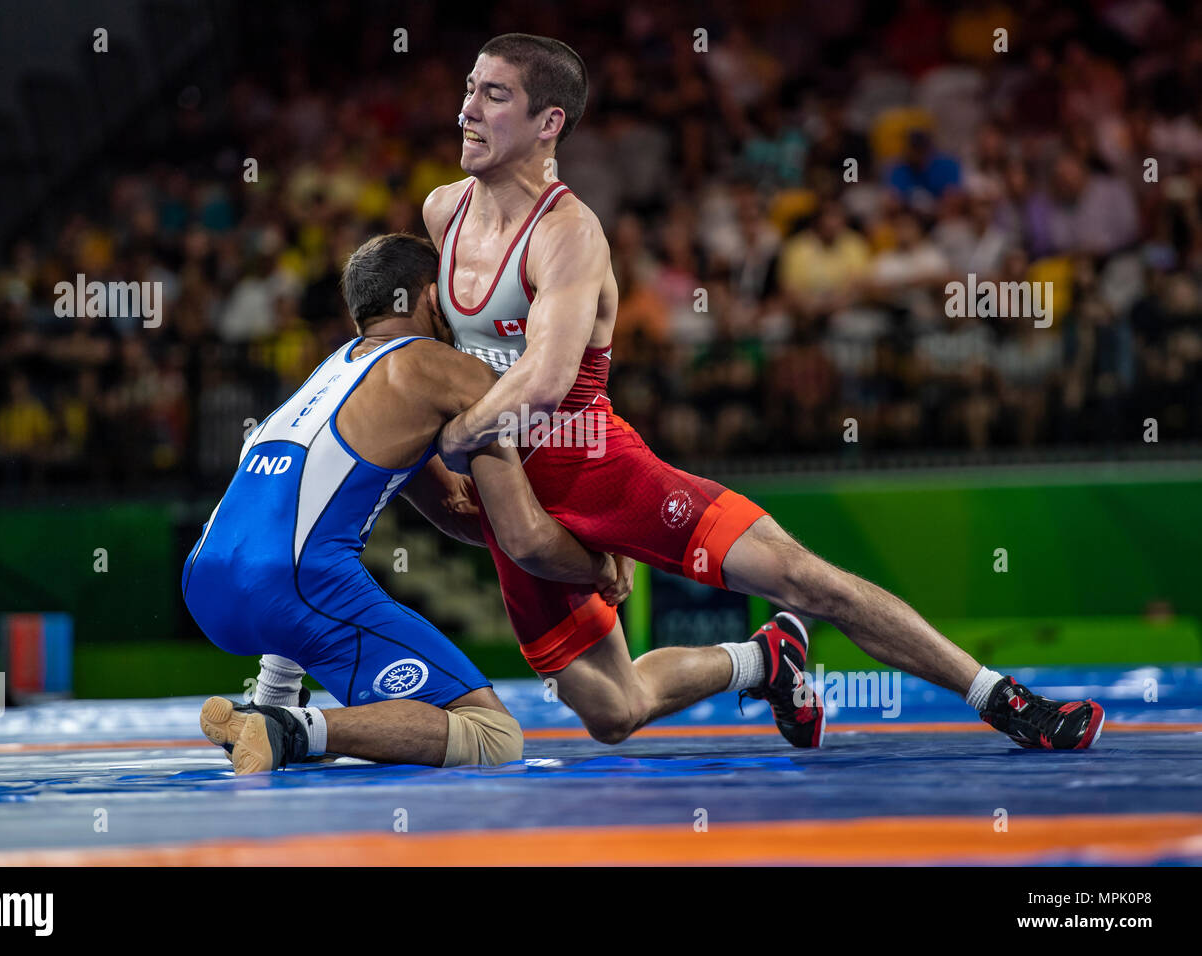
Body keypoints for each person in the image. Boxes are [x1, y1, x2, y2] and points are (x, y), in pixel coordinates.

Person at [425, 33, 1103, 751]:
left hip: (595, 467)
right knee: (612, 712)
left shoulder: (570, 232)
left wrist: (452, 436)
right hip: (510, 492)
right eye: (469, 88)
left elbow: (546, 380)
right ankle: (764, 661)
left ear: (549, 122)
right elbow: (436, 351)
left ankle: (1004, 700)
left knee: (806, 580)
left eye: (493, 95)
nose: (467, 109)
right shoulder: (444, 211)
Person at [182, 233, 629, 773]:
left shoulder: (330, 371)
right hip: (293, 583)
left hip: (206, 583)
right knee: (493, 736)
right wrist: (597, 563)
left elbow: (458, 512)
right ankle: (285, 728)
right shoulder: (442, 368)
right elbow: (524, 535)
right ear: (432, 297)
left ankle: (273, 701)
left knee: (307, 554)